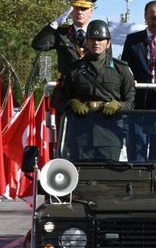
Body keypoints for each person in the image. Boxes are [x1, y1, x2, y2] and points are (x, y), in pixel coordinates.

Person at [56, 19, 136, 160]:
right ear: (86, 41)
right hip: (80, 136)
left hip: (110, 136)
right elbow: (58, 99)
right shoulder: (73, 70)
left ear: (108, 42)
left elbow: (130, 103)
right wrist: (71, 103)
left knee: (109, 179)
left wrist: (118, 105)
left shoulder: (121, 70)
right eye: (92, 39)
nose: (96, 43)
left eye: (100, 39)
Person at [32, 0, 97, 76]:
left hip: (92, 84)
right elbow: (38, 45)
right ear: (71, 11)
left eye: (84, 8)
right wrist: (55, 24)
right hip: (67, 85)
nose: (79, 12)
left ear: (91, 12)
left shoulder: (98, 33)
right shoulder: (61, 33)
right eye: (76, 8)